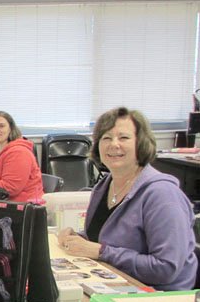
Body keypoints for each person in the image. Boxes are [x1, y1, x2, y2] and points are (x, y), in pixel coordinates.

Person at [58, 107, 197, 290]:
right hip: (114, 281)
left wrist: (101, 252)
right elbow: (106, 238)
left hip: (156, 297)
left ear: (141, 143)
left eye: (123, 137)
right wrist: (78, 239)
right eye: (106, 138)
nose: (114, 144)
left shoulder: (162, 195)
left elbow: (166, 267)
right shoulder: (105, 185)